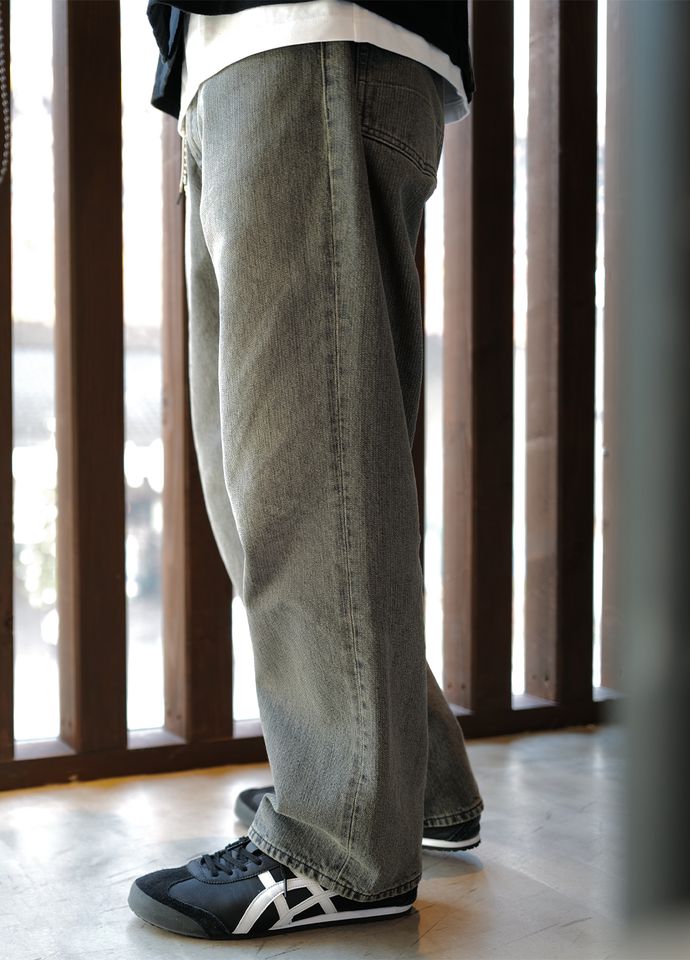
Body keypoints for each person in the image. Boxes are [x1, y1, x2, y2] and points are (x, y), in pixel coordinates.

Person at [129, 0, 484, 941]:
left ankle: (344, 838)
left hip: (303, 31)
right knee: (266, 471)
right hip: (236, 56)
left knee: (303, 467)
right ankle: (398, 781)